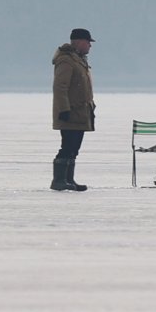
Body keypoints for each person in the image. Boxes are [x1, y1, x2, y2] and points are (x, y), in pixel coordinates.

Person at [51, 28, 96, 191]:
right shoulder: (66, 61)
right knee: (67, 147)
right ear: (79, 42)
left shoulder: (79, 60)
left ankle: (69, 180)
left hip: (81, 113)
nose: (90, 46)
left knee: (74, 148)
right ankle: (59, 180)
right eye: (88, 42)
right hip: (70, 113)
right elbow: (60, 87)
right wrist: (64, 109)